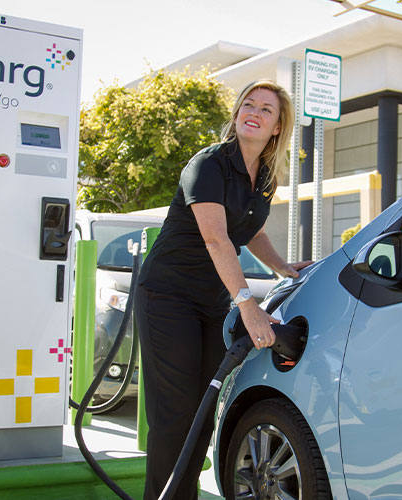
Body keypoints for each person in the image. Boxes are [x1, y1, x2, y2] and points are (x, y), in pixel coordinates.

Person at [133, 79, 312, 499]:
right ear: (235, 114)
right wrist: (248, 305)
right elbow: (217, 239)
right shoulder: (209, 165)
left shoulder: (264, 175)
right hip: (168, 299)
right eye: (248, 104)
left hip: (210, 303)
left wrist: (283, 267)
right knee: (175, 417)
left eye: (266, 109)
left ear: (276, 126)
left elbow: (249, 230)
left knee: (203, 415)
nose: (254, 111)